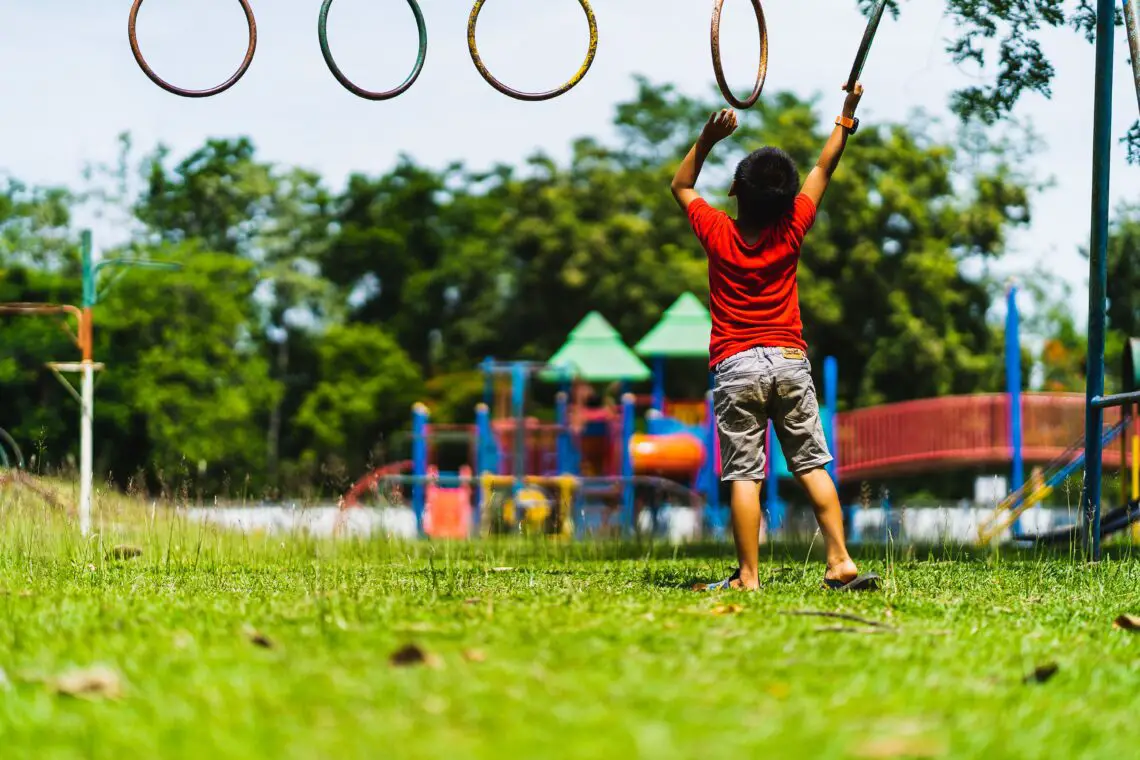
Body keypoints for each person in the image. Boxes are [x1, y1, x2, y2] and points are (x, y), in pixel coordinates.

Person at [671, 82, 878, 592]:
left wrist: (705, 141)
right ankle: (840, 560)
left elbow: (681, 185)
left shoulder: (718, 232)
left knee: (745, 474)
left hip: (736, 364)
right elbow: (823, 167)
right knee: (810, 463)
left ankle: (749, 577)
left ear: (735, 192)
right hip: (788, 359)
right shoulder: (792, 228)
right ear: (787, 200)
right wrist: (845, 114)